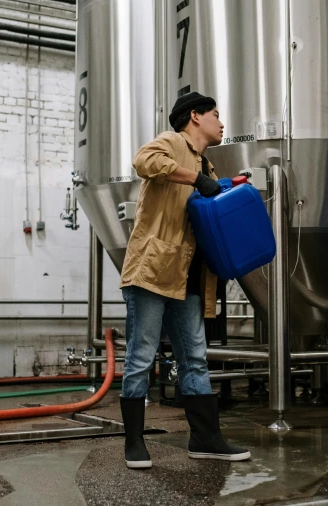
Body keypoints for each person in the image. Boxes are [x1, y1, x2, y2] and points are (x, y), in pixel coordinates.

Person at [118, 92, 251, 469]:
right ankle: (134, 442)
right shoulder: (172, 142)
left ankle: (205, 438)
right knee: (141, 355)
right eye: (215, 115)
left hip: (190, 276)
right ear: (195, 116)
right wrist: (196, 179)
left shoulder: (206, 167)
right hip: (153, 270)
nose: (222, 123)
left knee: (195, 358)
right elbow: (144, 160)